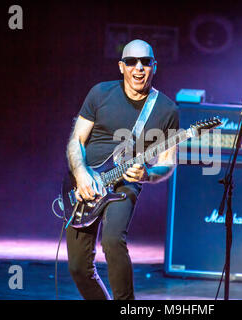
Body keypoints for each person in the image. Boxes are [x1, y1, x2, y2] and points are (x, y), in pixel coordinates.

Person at [65, 39, 179, 300]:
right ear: (121, 66)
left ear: (154, 66)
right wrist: (81, 174)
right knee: (78, 267)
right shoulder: (100, 93)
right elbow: (76, 140)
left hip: (125, 183)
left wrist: (147, 175)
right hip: (86, 184)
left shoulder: (167, 109)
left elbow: (168, 161)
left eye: (145, 62)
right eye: (131, 62)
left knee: (113, 241)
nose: (139, 68)